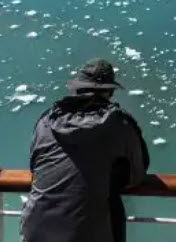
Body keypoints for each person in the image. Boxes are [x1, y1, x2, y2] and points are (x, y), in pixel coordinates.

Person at [21, 59, 150, 242]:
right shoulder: (119, 124)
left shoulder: (45, 121)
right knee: (110, 204)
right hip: (86, 234)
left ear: (76, 89)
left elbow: (36, 167)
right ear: (111, 92)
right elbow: (136, 175)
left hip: (35, 231)